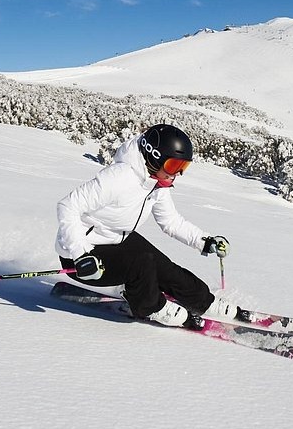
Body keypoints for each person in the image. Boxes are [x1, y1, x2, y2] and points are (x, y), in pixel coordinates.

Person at [55, 123, 234, 326]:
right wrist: (80, 255)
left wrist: (205, 241)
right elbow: (68, 205)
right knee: (143, 263)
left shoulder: (157, 184)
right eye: (173, 166)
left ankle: (204, 302)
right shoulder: (119, 178)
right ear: (154, 156)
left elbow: (171, 221)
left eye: (182, 167)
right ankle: (152, 307)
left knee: (165, 268)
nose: (177, 174)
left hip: (115, 239)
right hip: (82, 256)